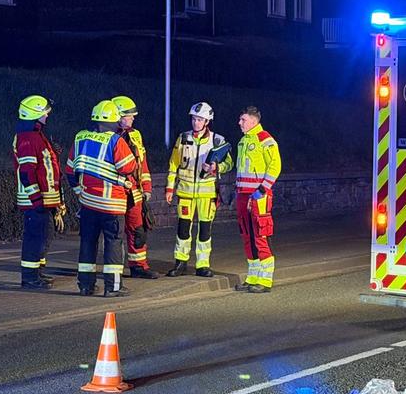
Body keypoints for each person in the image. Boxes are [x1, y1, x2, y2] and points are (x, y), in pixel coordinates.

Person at [65, 100, 138, 297]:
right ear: (114, 120)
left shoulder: (80, 137)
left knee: (87, 242)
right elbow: (128, 167)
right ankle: (113, 287)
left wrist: (80, 192)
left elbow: (70, 171)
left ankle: (85, 286)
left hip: (88, 203)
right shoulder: (115, 141)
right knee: (113, 243)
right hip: (112, 205)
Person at [164, 102, 232, 277]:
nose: (196, 122)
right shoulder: (183, 138)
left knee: (204, 230)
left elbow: (229, 163)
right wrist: (169, 188)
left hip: (207, 194)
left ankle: (202, 265)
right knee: (183, 229)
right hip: (185, 192)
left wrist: (216, 168)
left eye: (200, 119)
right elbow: (173, 164)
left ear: (207, 121)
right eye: (194, 119)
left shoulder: (217, 141)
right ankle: (180, 262)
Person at [12, 95, 65, 290]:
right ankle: (29, 278)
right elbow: (27, 172)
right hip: (35, 200)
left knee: (44, 236)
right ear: (35, 114)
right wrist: (36, 199)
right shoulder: (28, 138)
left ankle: (37, 273)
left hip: (44, 199)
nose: (47, 115)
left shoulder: (36, 135)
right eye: (45, 112)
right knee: (34, 238)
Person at [234, 106, 281, 293]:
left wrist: (262, 189)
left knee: (260, 236)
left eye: (243, 120)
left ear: (253, 121)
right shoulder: (242, 141)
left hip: (258, 195)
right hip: (243, 195)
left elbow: (275, 166)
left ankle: (265, 280)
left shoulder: (265, 139)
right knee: (247, 236)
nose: (239, 123)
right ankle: (252, 277)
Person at [112, 95, 158, 279]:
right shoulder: (108, 136)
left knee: (138, 229)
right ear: (117, 116)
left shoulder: (135, 134)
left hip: (134, 191)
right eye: (128, 115)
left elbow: (142, 163)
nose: (132, 118)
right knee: (114, 232)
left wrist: (146, 187)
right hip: (115, 191)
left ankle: (138, 267)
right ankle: (113, 269)